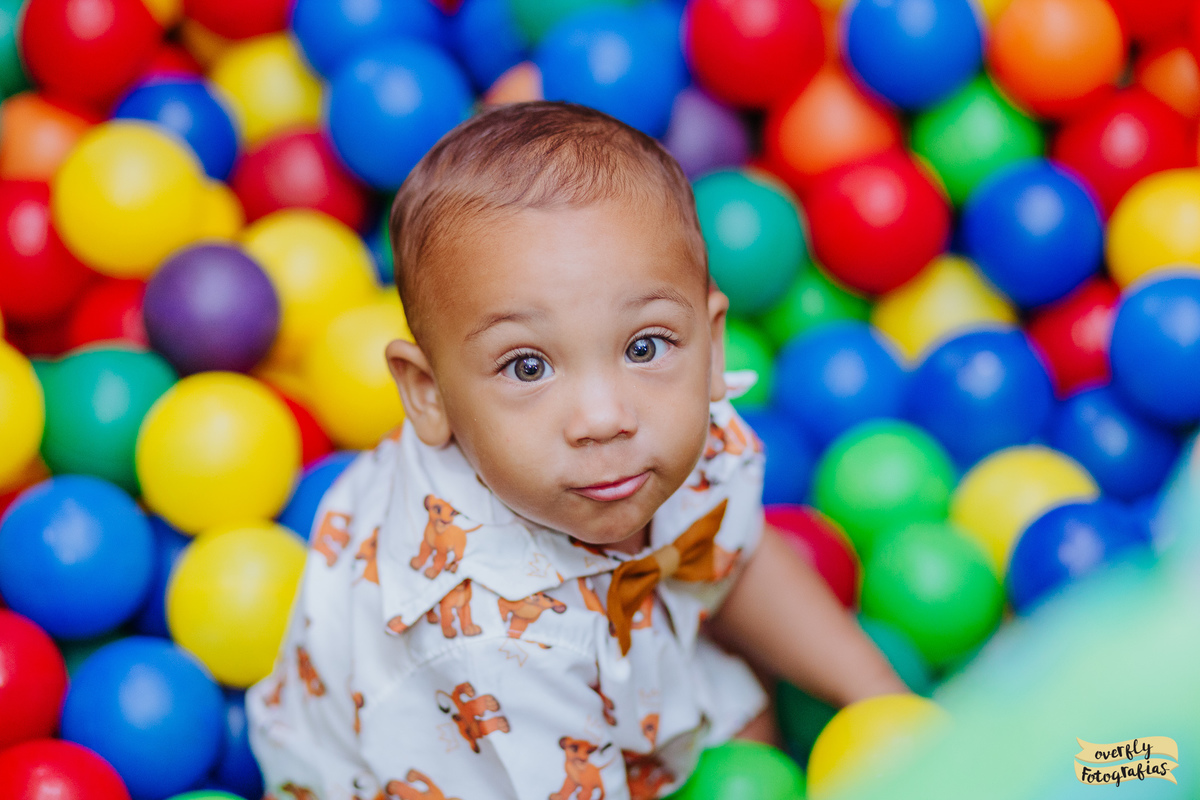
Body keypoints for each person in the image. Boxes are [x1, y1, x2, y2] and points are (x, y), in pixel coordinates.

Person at [247, 101, 908, 800]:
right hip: (453, 757)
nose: (605, 417)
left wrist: (877, 695)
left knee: (751, 725)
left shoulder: (680, 433)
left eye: (644, 346)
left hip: (611, 648)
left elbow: (737, 556)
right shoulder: (484, 636)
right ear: (428, 392)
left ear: (711, 348)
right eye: (528, 366)